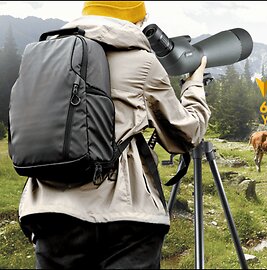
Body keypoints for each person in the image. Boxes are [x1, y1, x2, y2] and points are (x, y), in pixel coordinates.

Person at [18, 1, 211, 268]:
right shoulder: (142, 61)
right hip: (125, 217)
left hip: (49, 213)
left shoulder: (44, 56)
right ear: (135, 19)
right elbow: (184, 135)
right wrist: (194, 88)